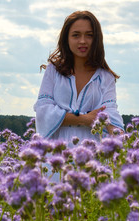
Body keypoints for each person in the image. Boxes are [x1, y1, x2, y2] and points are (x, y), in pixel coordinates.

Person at [33, 11, 124, 142]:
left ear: (96, 39)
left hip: (92, 156)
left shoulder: (105, 77)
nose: (82, 41)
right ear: (67, 39)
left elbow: (110, 114)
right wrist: (85, 119)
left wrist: (122, 142)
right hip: (55, 155)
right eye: (76, 35)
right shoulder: (53, 70)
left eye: (89, 35)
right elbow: (43, 111)